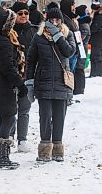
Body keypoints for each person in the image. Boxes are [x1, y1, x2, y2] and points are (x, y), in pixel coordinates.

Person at [25, 8, 76, 163]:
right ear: (47, 20)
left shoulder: (68, 35)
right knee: (45, 117)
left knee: (60, 116)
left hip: (62, 82)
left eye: (57, 20)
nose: (54, 23)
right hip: (44, 81)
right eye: (51, 20)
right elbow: (31, 60)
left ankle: (58, 148)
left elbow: (69, 52)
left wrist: (58, 35)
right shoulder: (39, 37)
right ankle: (45, 148)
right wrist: (30, 82)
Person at [0, 6, 26, 169]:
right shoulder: (3, 42)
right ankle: (3, 156)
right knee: (8, 117)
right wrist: (20, 84)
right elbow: (8, 67)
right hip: (3, 86)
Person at [10, 1, 38, 152]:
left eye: (26, 13)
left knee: (24, 109)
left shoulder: (33, 31)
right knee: (10, 109)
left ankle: (22, 140)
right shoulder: (8, 30)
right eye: (20, 13)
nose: (23, 16)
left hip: (28, 75)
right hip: (11, 74)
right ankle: (9, 136)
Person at [74, 5, 91, 95]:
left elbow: (80, 39)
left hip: (81, 50)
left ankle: (80, 89)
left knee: (79, 69)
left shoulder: (83, 25)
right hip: (81, 50)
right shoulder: (82, 23)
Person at [89, 2, 102, 78]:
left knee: (96, 57)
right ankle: (94, 73)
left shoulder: (99, 17)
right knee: (94, 56)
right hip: (97, 40)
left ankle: (97, 73)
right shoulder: (99, 16)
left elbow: (93, 28)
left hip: (97, 40)